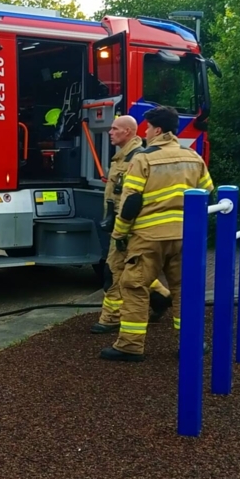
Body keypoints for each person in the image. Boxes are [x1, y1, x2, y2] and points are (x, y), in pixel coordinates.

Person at [100, 105, 213, 361]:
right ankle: (191, 343)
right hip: (184, 237)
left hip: (148, 238)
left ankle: (130, 346)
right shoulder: (193, 157)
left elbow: (130, 203)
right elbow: (208, 194)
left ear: (158, 130)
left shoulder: (143, 159)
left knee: (134, 286)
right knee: (184, 289)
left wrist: (119, 234)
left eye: (148, 128)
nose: (146, 133)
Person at [92, 115, 173, 334]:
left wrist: (122, 231)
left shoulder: (137, 158)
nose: (109, 132)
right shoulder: (123, 157)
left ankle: (111, 318)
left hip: (128, 227)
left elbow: (133, 199)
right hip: (122, 225)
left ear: (127, 131)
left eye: (114, 129)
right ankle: (161, 297)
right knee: (132, 270)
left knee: (113, 271)